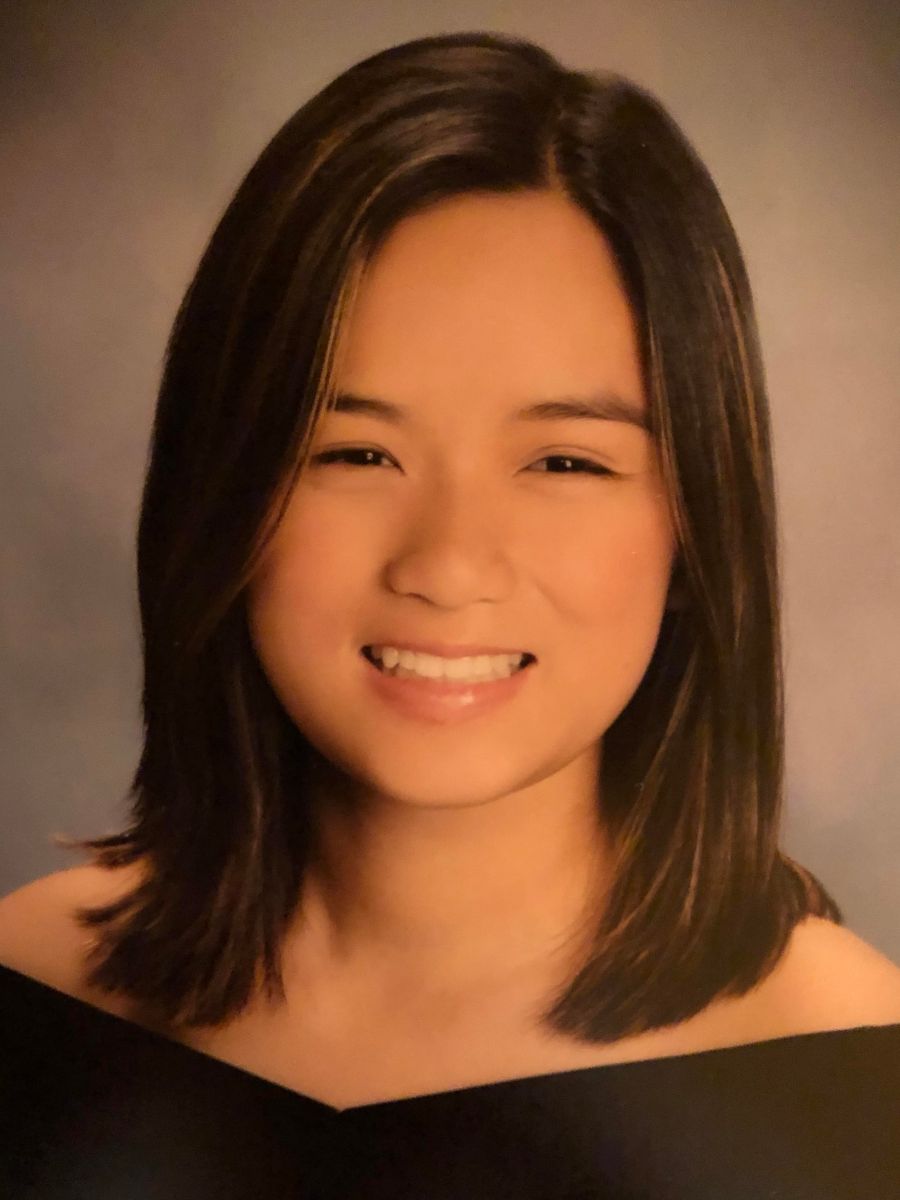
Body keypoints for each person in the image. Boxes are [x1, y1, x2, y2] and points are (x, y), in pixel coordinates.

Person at [1, 30, 897, 1197]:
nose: (448, 564)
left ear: (695, 527)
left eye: (565, 462)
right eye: (356, 452)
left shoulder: (858, 1081)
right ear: (223, 490)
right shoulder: (31, 981)